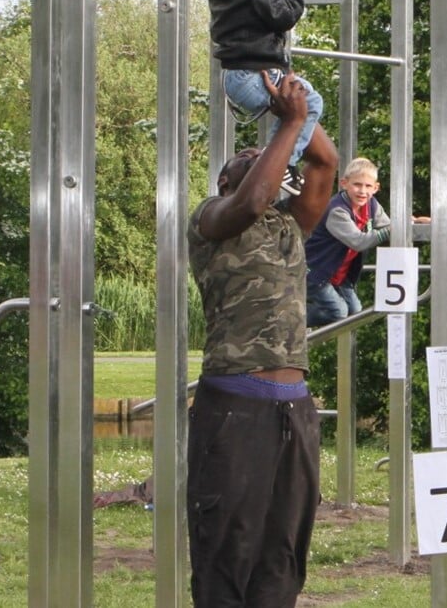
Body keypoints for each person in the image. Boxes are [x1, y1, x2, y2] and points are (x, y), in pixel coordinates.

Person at [186, 71, 337, 607]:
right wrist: (289, 124)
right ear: (225, 181)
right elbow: (251, 201)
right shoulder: (211, 219)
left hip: (294, 409)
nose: (256, 154)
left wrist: (299, 111)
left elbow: (324, 165)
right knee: (227, 550)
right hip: (235, 407)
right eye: (244, 157)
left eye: (263, 151)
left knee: (283, 555)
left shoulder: (288, 225)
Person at [206, 0, 326, 195]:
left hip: (239, 77)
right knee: (311, 102)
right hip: (255, 74)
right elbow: (284, 16)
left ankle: (280, 162)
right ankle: (284, 162)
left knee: (302, 103)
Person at [303, 156, 430, 328]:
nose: (362, 191)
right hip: (316, 270)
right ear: (344, 183)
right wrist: (392, 229)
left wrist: (413, 223)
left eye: (368, 186)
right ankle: (293, 320)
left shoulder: (372, 206)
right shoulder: (337, 211)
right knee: (338, 312)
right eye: (357, 185)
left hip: (339, 274)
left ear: (376, 188)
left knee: (355, 313)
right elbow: (358, 242)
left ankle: (301, 314)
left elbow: (389, 226)